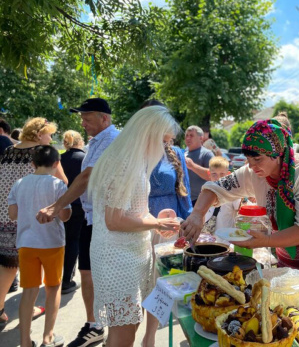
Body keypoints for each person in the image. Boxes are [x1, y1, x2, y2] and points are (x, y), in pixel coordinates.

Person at [181, 119, 299, 324]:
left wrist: (264, 240)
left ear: (278, 153)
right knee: (290, 312)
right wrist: (197, 214)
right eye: (248, 159)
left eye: (257, 159)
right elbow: (217, 188)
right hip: (284, 245)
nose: (251, 166)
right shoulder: (253, 172)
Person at [87, 106, 181, 347]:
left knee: (127, 328)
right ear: (148, 134)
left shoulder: (131, 159)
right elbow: (114, 219)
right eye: (163, 141)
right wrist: (158, 222)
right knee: (123, 336)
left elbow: (134, 211)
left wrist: (156, 222)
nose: (164, 149)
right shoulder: (124, 162)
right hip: (117, 258)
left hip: (128, 255)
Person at [36, 98, 119, 347]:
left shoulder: (113, 139)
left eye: (87, 118)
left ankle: (112, 328)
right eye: (81, 118)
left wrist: (57, 205)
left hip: (107, 219)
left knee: (103, 276)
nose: (82, 123)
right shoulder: (96, 141)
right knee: (87, 273)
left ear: (105, 118)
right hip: (92, 216)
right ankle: (95, 325)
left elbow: (87, 176)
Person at [0, 117, 66, 326]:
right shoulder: (42, 154)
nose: (51, 138)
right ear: (39, 134)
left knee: (8, 267)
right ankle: (41, 325)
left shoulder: (9, 151)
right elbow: (63, 183)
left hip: (6, 216)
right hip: (36, 220)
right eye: (49, 134)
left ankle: (0, 309)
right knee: (43, 275)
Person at [138, 99, 192, 347]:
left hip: (170, 228)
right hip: (141, 224)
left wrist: (188, 225)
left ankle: (149, 336)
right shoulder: (134, 150)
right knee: (143, 281)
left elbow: (184, 192)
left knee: (163, 282)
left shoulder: (177, 152)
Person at [8, 145, 72, 347]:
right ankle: (48, 337)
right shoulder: (59, 185)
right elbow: (65, 215)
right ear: (56, 163)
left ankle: (25, 341)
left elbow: (12, 214)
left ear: (32, 163)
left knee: (28, 291)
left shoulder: (19, 183)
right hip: (52, 243)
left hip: (26, 244)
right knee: (53, 288)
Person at [60, 130, 86, 294]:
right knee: (74, 241)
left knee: (63, 241)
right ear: (80, 141)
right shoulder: (84, 159)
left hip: (62, 204)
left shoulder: (60, 158)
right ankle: (67, 280)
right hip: (79, 204)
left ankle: (59, 277)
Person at [201, 156, 242, 236]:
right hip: (208, 238)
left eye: (222, 174)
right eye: (214, 174)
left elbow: (239, 212)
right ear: (209, 174)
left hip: (226, 238)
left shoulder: (233, 193)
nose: (218, 178)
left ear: (228, 174)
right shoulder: (206, 190)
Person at [184, 125, 214, 206]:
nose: (188, 138)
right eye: (186, 135)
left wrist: (193, 166)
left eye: (191, 135)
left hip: (199, 200)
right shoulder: (183, 153)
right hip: (184, 199)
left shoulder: (207, 154)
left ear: (201, 138)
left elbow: (212, 176)